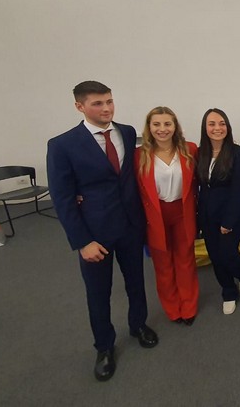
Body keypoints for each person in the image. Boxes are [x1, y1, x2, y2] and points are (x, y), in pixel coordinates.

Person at [47, 81, 157, 382]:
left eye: (109, 101)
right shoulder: (62, 145)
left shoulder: (127, 132)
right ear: (79, 106)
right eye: (97, 103)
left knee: (136, 282)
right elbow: (63, 199)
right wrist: (82, 242)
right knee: (98, 293)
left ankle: (138, 325)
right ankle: (104, 346)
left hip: (130, 226)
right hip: (95, 234)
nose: (106, 108)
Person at [134, 107, 199, 325]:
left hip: (183, 213)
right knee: (163, 265)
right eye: (156, 124)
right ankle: (172, 308)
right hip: (155, 216)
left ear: (175, 126)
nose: (162, 129)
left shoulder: (190, 150)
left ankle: (188, 306)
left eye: (167, 124)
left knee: (185, 261)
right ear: (149, 127)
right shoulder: (139, 155)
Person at [196, 109, 240, 314]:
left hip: (231, 213)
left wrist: (228, 221)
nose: (217, 128)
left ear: (227, 126)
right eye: (212, 124)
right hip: (207, 214)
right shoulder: (199, 152)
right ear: (205, 128)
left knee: (228, 253)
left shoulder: (237, 153)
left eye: (222, 123)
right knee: (215, 256)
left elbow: (238, 189)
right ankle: (228, 291)